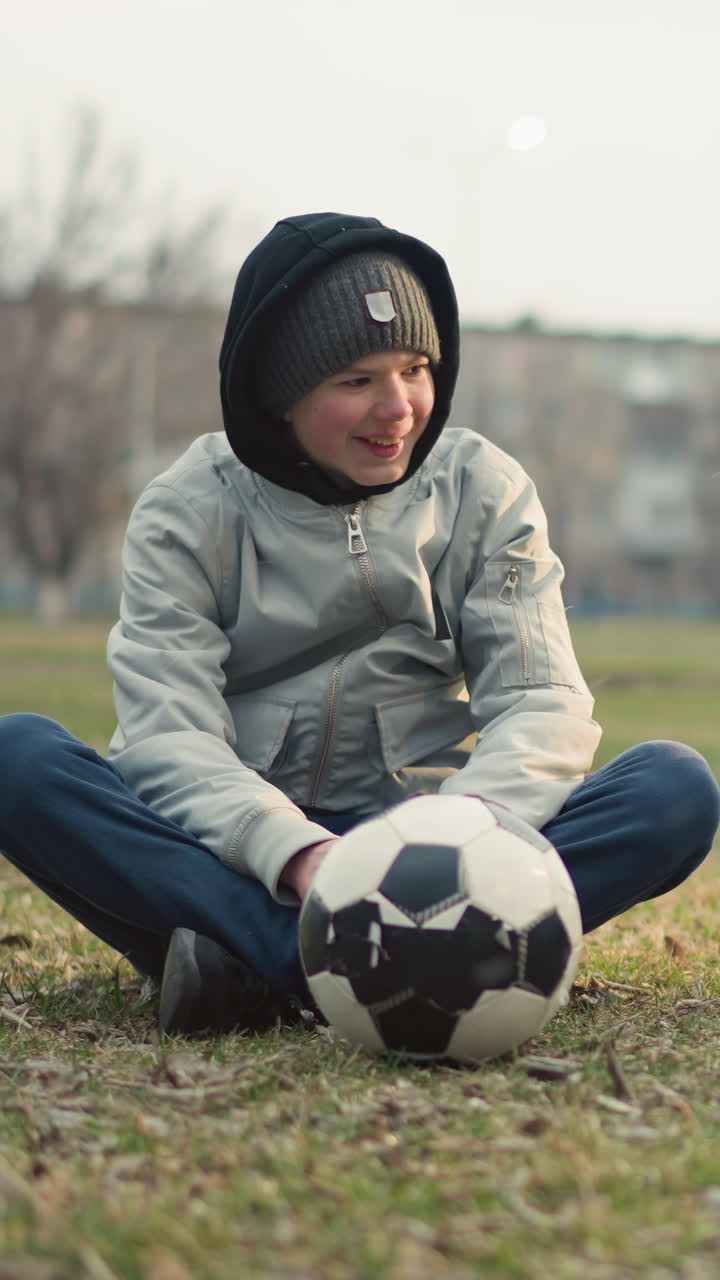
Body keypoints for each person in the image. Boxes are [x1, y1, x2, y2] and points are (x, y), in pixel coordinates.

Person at [0, 212, 718, 1036]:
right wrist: (298, 855)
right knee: (17, 758)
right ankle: (360, 959)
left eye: (415, 368)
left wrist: (445, 843)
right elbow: (169, 735)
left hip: (436, 841)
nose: (399, 408)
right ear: (279, 395)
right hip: (241, 856)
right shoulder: (187, 508)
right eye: (355, 381)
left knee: (672, 790)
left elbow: (540, 702)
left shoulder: (485, 490)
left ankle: (257, 970)